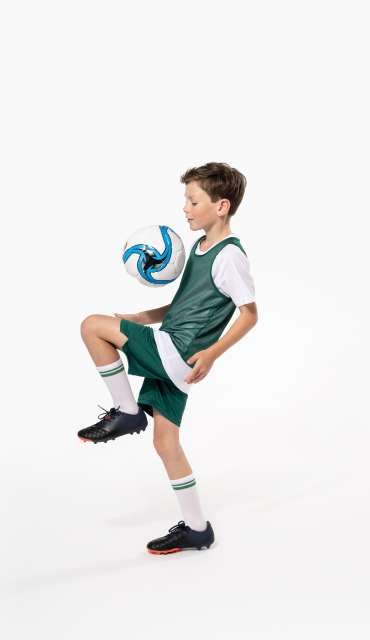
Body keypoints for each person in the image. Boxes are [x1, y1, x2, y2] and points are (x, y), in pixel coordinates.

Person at [77, 162, 258, 554]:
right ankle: (197, 529)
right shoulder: (200, 247)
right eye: (185, 200)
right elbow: (184, 303)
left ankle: (127, 411)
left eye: (193, 201)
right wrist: (142, 317)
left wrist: (212, 354)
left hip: (176, 351)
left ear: (221, 206)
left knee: (91, 325)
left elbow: (249, 314)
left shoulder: (230, 256)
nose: (185, 209)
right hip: (174, 354)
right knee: (165, 443)